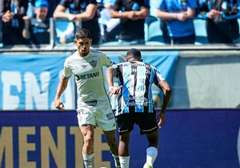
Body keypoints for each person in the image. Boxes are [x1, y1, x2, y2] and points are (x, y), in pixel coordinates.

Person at [54, 28, 120, 168]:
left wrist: (111, 85)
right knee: (88, 137)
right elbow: (64, 79)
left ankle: (119, 165)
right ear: (75, 43)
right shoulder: (70, 62)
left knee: (112, 140)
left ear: (90, 42)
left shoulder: (99, 56)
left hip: (103, 103)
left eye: (86, 43)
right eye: (80, 43)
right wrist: (57, 98)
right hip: (84, 105)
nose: (84, 47)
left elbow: (110, 67)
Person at [108, 48, 171, 168]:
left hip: (124, 108)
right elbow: (167, 89)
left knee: (123, 139)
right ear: (141, 59)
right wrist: (162, 112)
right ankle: (148, 163)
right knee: (153, 139)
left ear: (127, 59)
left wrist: (111, 86)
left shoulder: (121, 65)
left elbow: (110, 69)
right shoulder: (151, 68)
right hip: (145, 107)